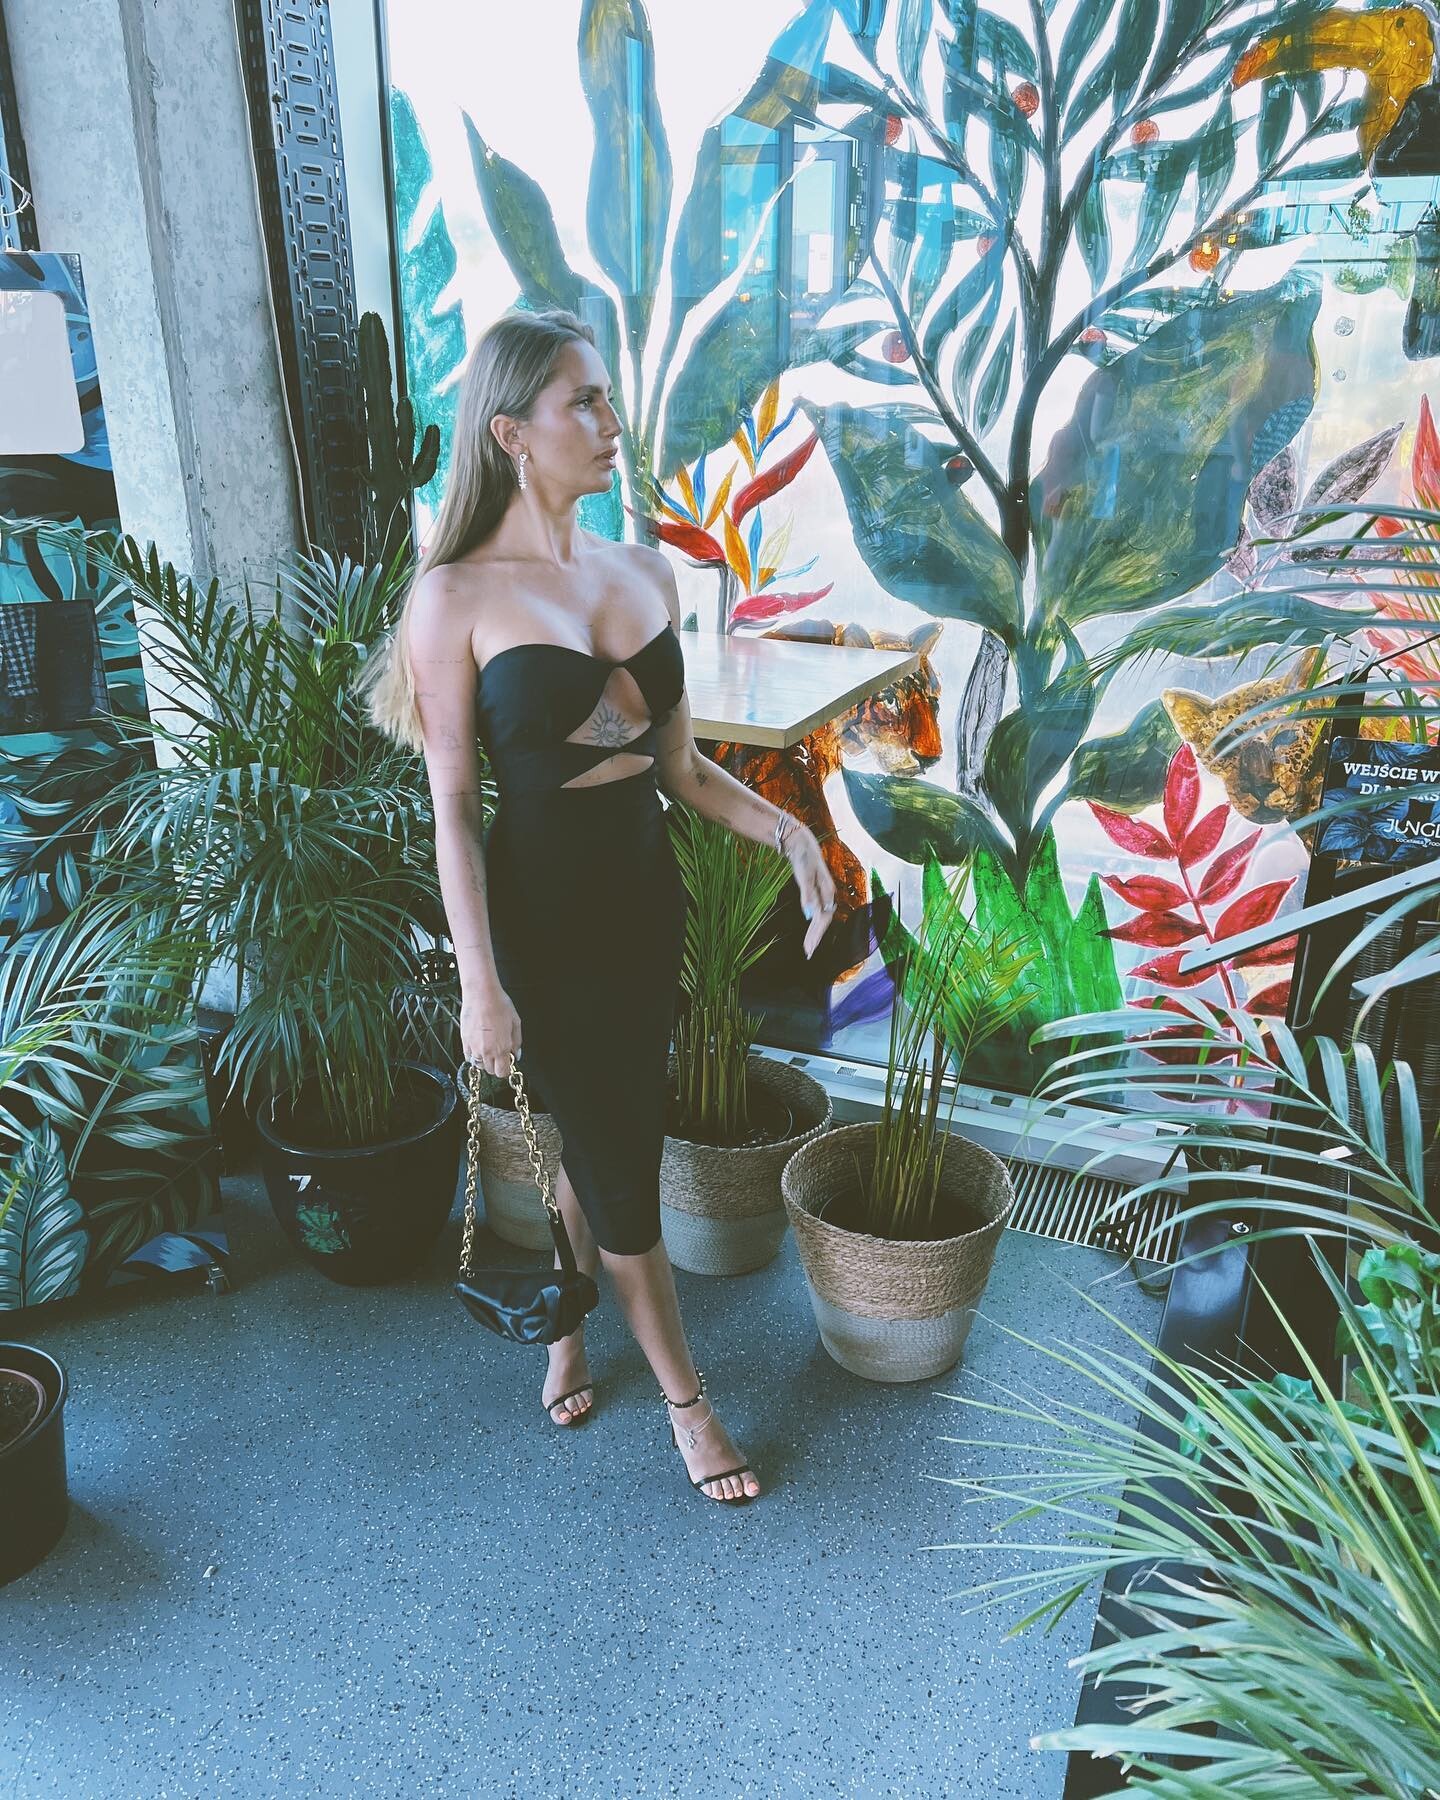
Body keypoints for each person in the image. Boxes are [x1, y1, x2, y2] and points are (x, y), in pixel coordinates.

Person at [355, 307, 837, 1504]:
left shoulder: (641, 571)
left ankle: (565, 1331)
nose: (612, 422)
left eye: (608, 397)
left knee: (599, 1136)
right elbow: (453, 810)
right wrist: (479, 984)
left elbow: (678, 771)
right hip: (546, 923)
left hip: (643, 907)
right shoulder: (453, 597)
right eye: (585, 401)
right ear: (511, 432)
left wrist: (789, 830)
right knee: (624, 1170)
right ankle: (689, 1403)